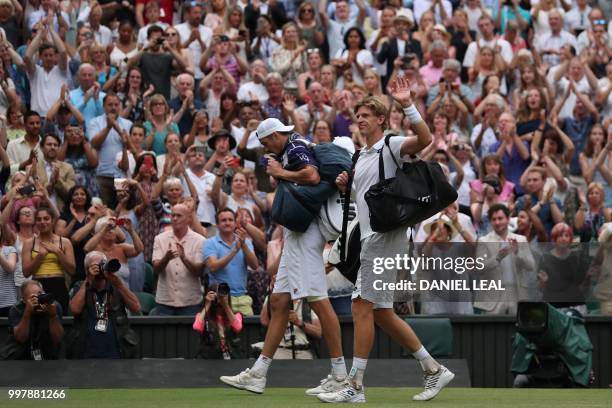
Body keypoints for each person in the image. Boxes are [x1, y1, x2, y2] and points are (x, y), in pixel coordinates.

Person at [320, 84, 452, 402]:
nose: (360, 119)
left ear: (381, 118)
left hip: (384, 236)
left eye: (366, 115)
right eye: (358, 115)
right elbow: (365, 197)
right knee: (380, 312)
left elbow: (425, 140)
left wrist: (408, 106)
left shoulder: (390, 145)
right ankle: (434, 369)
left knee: (360, 305)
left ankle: (355, 385)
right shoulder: (359, 155)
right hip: (372, 237)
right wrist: (346, 186)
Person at [220, 117, 348, 396]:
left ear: (278, 135)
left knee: (319, 302)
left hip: (305, 235)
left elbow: (312, 176)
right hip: (296, 233)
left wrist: (280, 172)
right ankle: (258, 373)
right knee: (279, 301)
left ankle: (340, 376)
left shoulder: (294, 148)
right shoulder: (293, 145)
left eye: (267, 142)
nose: (266, 147)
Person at [67, 251, 141, 359]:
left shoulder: (116, 286)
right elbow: (74, 309)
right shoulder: (81, 286)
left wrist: (119, 283)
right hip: (86, 352)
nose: (100, 269)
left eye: (102, 264)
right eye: (95, 266)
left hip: (116, 351)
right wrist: (88, 280)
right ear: (87, 270)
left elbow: (136, 308)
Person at [475, 204, 537, 315]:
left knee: (518, 330)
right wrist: (498, 257)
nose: (497, 222)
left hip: (517, 294)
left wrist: (518, 252)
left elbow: (531, 266)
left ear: (508, 219)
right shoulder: (483, 241)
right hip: (493, 296)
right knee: (493, 331)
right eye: (494, 219)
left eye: (500, 218)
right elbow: (479, 268)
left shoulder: (520, 239)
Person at [152, 204, 206, 316]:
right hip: (165, 301)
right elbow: (156, 269)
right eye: (173, 215)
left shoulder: (200, 240)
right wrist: (166, 258)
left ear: (189, 219)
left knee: (190, 334)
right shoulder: (160, 238)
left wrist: (184, 258)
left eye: (179, 216)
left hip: (190, 302)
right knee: (164, 334)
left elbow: (199, 272)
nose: (175, 218)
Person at [204, 208, 259, 317]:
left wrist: (243, 246)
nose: (227, 223)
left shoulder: (245, 242)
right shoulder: (210, 243)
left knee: (248, 332)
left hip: (243, 298)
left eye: (230, 220)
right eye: (223, 220)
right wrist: (234, 250)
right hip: (220, 299)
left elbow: (255, 265)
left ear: (235, 223)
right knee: (222, 333)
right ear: (217, 224)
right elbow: (213, 266)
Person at [21, 207, 75, 312]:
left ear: (53, 220)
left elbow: (72, 270)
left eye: (46, 218)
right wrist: (40, 256)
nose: (42, 222)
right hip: (37, 286)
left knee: (58, 319)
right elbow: (26, 273)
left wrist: (58, 252)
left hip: (58, 284)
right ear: (35, 222)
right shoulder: (29, 243)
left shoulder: (65, 242)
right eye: (39, 219)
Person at [87, 94, 133, 208]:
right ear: (103, 106)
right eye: (110, 105)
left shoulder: (128, 124)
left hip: (122, 176)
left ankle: (120, 226)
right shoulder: (95, 122)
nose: (113, 107)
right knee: (103, 209)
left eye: (116, 105)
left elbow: (131, 147)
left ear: (120, 106)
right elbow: (94, 143)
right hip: (102, 174)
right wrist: (108, 127)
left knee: (122, 207)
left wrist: (117, 127)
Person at [2, 280, 63, 360]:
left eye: (40, 294)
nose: (38, 299)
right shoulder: (17, 309)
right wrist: (27, 312)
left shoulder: (53, 306)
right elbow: (21, 338)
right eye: (33, 297)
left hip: (49, 352)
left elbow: (57, 339)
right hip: (21, 353)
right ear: (23, 300)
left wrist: (53, 316)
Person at [193, 283, 245, 359]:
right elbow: (197, 327)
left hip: (231, 358)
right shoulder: (203, 316)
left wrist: (225, 305)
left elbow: (238, 327)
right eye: (219, 293)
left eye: (225, 293)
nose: (222, 296)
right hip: (210, 359)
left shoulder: (236, 315)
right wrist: (207, 305)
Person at [30, 133, 76, 211]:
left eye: (55, 145)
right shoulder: (33, 168)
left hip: (62, 212)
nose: (52, 147)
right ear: (41, 147)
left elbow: (71, 195)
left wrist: (58, 180)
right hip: (39, 212)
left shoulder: (68, 168)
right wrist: (50, 184)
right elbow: (32, 194)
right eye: (49, 144)